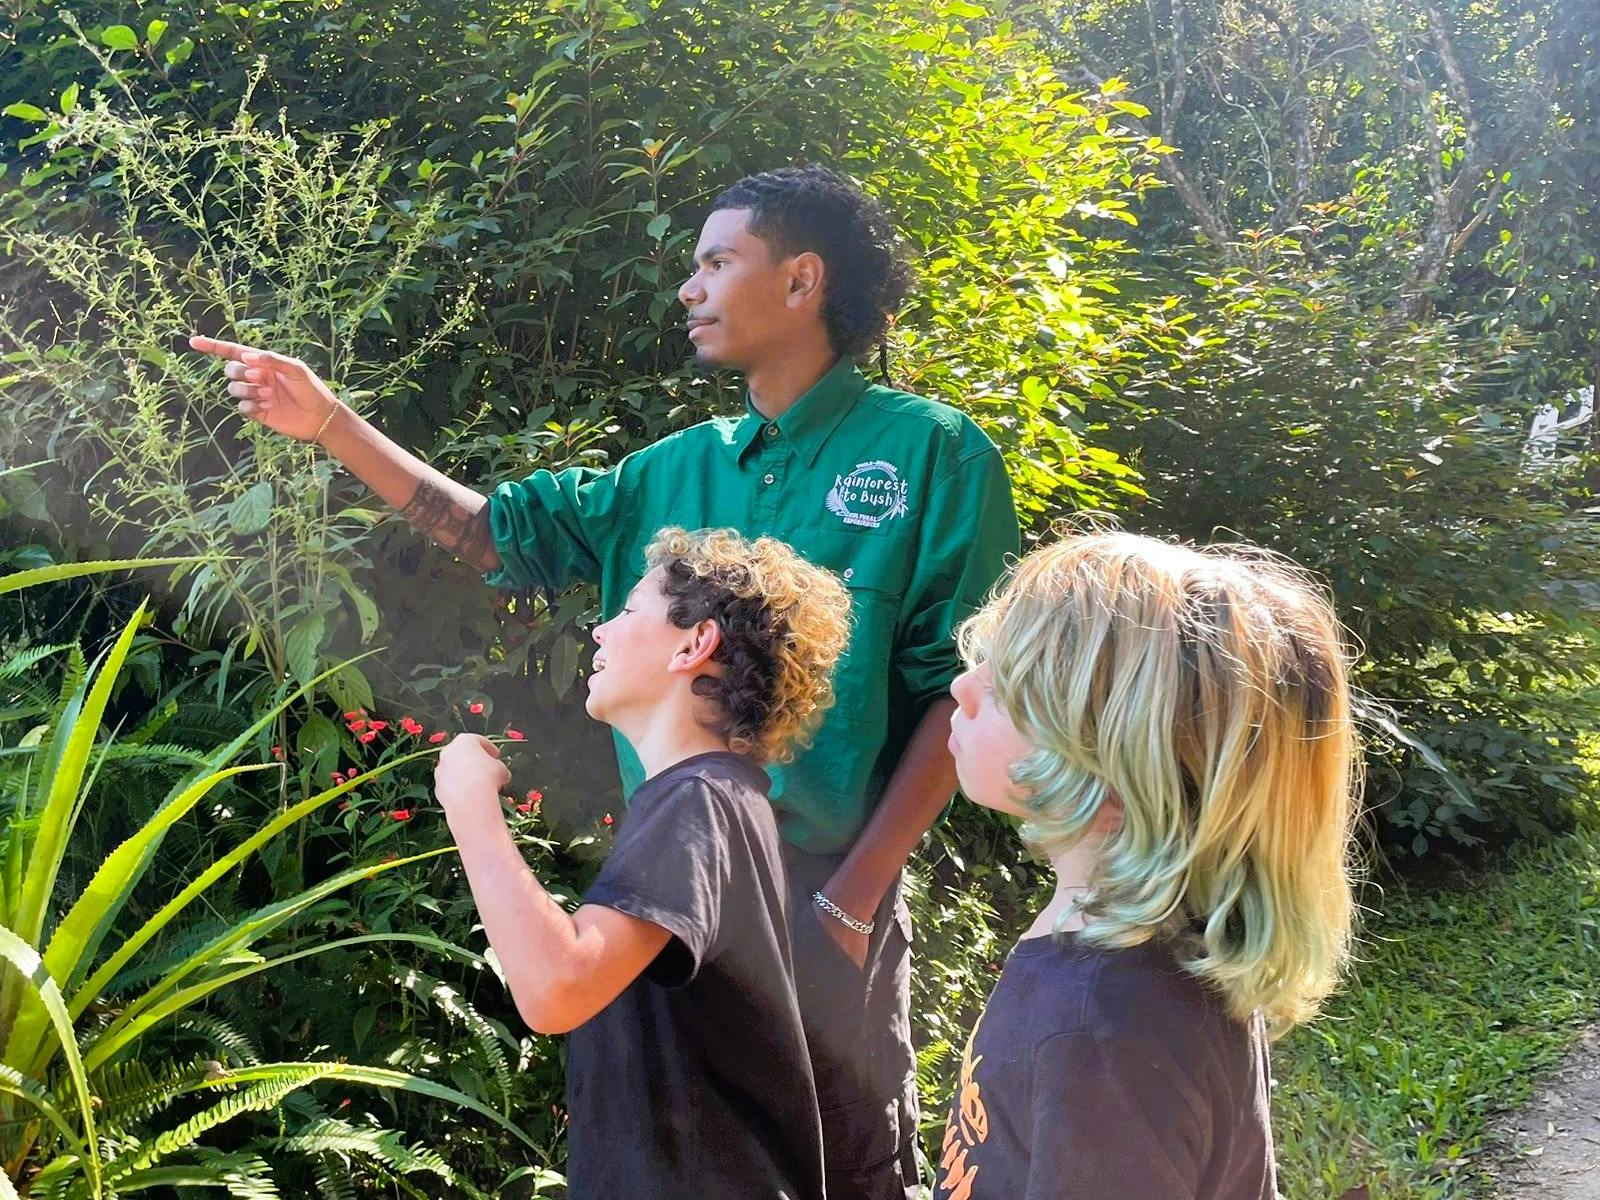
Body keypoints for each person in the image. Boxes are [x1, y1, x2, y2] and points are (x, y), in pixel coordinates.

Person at [191, 163, 1020, 1196]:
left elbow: (962, 692)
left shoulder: (935, 456)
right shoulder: (671, 470)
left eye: (718, 261)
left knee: (843, 1154)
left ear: (802, 280)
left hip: (826, 891)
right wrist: (328, 424)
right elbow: (499, 535)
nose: (689, 287)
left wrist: (850, 904)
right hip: (674, 882)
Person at [935, 530, 1361, 1199]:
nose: (963, 686)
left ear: (1120, 763)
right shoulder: (1123, 945)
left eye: (1009, 682)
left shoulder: (1102, 1034)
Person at [434, 526, 850, 1199]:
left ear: (695, 643)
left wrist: (467, 803)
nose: (600, 632)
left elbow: (557, 986)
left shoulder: (699, 802)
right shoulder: (721, 800)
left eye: (627, 611)